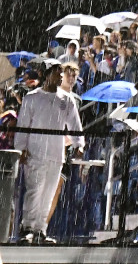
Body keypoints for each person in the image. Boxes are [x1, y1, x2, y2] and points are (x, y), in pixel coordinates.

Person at [15, 60, 84, 244]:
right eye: (57, 72)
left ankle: (40, 230)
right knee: (34, 191)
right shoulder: (32, 98)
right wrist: (21, 149)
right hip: (35, 153)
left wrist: (79, 144)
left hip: (56, 154)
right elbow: (23, 126)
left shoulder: (67, 100)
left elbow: (75, 125)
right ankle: (27, 228)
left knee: (48, 192)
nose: (60, 76)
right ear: (47, 75)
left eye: (61, 73)